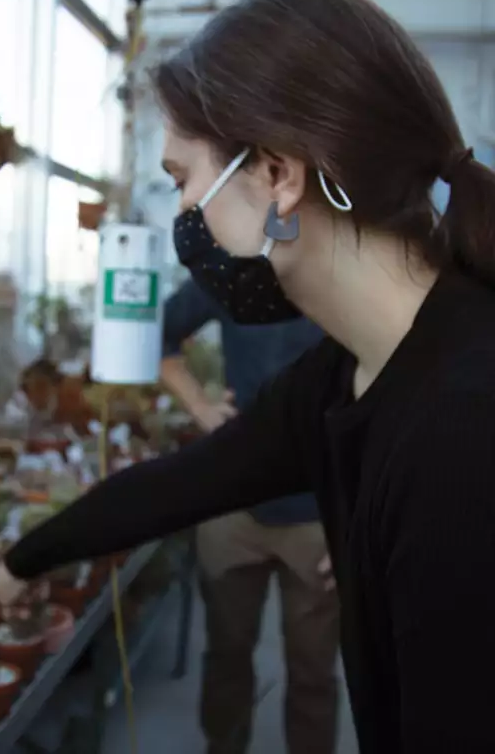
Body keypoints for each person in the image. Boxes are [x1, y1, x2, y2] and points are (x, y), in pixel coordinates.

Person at [0, 0, 495, 754]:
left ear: (278, 175)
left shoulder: (466, 425)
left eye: (183, 180)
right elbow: (186, 482)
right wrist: (26, 558)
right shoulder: (343, 376)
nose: (184, 218)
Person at [161, 278, 335, 754]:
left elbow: (391, 386)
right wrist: (199, 404)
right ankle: (224, 745)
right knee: (226, 654)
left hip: (319, 513)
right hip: (235, 506)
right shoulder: (231, 265)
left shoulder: (346, 267)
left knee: (314, 671)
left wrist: (358, 521)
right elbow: (157, 331)